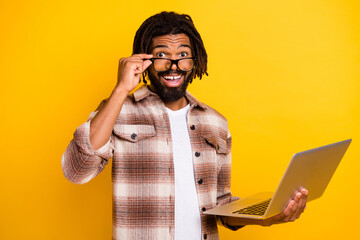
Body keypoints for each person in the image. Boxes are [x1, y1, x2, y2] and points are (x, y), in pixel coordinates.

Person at [61, 11, 307, 240]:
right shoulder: (119, 110)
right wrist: (121, 89)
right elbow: (77, 170)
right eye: (161, 56)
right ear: (144, 60)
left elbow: (220, 205)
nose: (174, 66)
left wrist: (266, 218)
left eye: (182, 55)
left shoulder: (216, 122)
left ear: (195, 61)